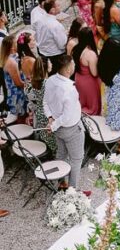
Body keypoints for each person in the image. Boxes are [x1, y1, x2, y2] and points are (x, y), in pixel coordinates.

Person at [43, 54, 84, 188]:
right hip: (70, 128)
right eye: (73, 64)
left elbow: (45, 102)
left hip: (58, 127)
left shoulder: (50, 80)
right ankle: (73, 192)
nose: (75, 66)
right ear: (67, 70)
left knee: (61, 154)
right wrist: (53, 124)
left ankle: (61, 183)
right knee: (76, 160)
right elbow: (67, 116)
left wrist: (50, 119)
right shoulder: (69, 90)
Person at [24, 55, 57, 156]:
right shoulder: (49, 84)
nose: (52, 64)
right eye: (50, 62)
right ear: (47, 66)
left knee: (45, 135)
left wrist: (30, 113)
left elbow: (30, 101)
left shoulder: (29, 83)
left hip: (38, 114)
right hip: (49, 116)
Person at [72, 26, 101, 116]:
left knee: (82, 101)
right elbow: (94, 73)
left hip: (78, 78)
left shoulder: (76, 49)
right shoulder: (90, 53)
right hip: (89, 82)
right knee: (92, 106)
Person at [33, 0, 67, 66]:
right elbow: (62, 45)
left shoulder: (39, 20)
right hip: (55, 55)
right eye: (58, 6)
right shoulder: (55, 25)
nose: (60, 6)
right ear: (52, 10)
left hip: (42, 51)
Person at [1, 35, 28, 120]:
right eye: (16, 43)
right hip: (17, 94)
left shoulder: (13, 56)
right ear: (12, 48)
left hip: (16, 91)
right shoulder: (11, 62)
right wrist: (30, 86)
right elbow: (18, 83)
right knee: (20, 117)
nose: (19, 44)